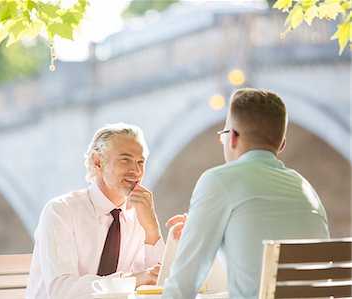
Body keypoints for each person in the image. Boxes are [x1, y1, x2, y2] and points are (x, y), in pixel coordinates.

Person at [162, 88, 330, 298]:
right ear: (281, 145)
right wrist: (206, 228)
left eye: (223, 137)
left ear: (231, 138)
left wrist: (195, 237)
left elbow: (182, 287)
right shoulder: (305, 188)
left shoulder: (218, 181)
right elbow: (256, 267)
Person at [26, 123, 164, 298]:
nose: (136, 171)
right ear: (97, 162)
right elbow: (61, 290)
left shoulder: (139, 216)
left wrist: (152, 228)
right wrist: (132, 280)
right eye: (125, 160)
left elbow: (158, 283)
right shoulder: (60, 211)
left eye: (140, 162)